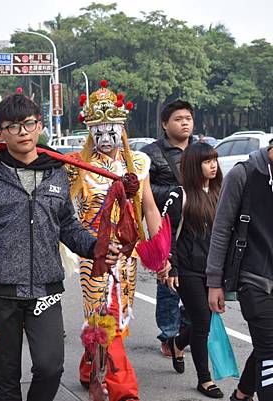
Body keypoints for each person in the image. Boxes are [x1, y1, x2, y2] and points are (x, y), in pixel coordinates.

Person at [0, 93, 118, 401]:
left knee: (49, 367)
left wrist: (95, 247)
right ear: (0, 132)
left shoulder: (56, 172)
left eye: (29, 124)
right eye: (13, 126)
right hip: (1, 291)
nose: (23, 132)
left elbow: (68, 225)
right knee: (6, 377)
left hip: (45, 288)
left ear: (39, 126)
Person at [70, 81, 166, 401]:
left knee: (117, 315)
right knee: (106, 313)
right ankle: (124, 390)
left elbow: (149, 207)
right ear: (90, 131)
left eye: (112, 129)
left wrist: (160, 250)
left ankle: (89, 366)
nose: (106, 137)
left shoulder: (137, 165)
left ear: (122, 129)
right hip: (93, 255)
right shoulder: (79, 168)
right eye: (99, 130)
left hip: (127, 255)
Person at [207, 144, 273, 401]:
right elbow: (221, 228)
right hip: (252, 278)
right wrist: (214, 283)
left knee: (265, 345)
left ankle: (242, 394)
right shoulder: (242, 174)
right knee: (269, 351)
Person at [162, 142, 223, 398]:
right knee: (201, 322)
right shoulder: (180, 194)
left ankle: (177, 343)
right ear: (193, 165)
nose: (213, 165)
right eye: (207, 161)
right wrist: (171, 268)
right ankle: (204, 379)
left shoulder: (221, 191)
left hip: (213, 270)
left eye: (215, 160)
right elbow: (166, 234)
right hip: (187, 269)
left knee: (204, 320)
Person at [141, 99, 194, 356]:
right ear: (165, 124)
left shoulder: (201, 150)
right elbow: (144, 191)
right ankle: (169, 335)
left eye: (188, 118)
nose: (184, 123)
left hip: (196, 227)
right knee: (168, 283)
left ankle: (186, 331)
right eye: (178, 119)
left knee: (194, 281)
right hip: (166, 227)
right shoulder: (151, 154)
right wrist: (177, 193)